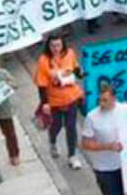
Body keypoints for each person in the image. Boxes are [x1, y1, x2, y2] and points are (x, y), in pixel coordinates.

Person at [35, 33, 84, 169]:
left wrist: (81, 73)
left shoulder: (70, 53)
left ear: (62, 44)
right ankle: (52, 142)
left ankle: (72, 156)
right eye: (52, 45)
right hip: (54, 100)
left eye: (58, 45)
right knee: (56, 125)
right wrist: (44, 103)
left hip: (70, 97)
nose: (56, 48)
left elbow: (76, 69)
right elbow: (41, 84)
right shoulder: (44, 60)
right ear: (48, 46)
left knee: (71, 126)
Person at [81, 81, 127, 195]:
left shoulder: (125, 109)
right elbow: (85, 143)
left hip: (124, 164)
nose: (101, 103)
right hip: (104, 169)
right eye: (99, 100)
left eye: (105, 100)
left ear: (114, 98)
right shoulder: (92, 117)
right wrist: (108, 146)